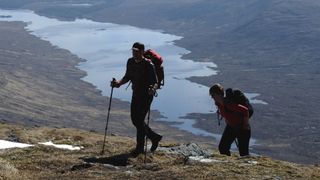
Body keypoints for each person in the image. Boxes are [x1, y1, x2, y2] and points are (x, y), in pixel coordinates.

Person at [111, 42, 162, 157]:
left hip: (146, 96)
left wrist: (152, 89)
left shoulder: (148, 64)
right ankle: (154, 137)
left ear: (142, 52)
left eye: (137, 51)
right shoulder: (130, 62)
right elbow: (127, 76)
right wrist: (118, 83)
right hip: (136, 94)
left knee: (139, 121)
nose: (135, 53)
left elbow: (155, 82)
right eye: (133, 51)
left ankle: (139, 149)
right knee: (135, 120)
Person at [209, 83, 251, 156]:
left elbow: (245, 110)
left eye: (212, 95)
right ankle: (228, 163)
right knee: (223, 147)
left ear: (218, 94)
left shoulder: (229, 103)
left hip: (242, 128)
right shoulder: (219, 103)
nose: (212, 97)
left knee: (244, 154)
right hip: (231, 127)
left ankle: (246, 167)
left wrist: (245, 125)